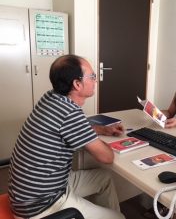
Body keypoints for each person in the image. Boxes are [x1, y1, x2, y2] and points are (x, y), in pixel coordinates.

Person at [8, 54, 125, 219]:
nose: (95, 80)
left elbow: (66, 128)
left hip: (28, 193)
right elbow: (107, 157)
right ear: (77, 84)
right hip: (41, 204)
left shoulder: (50, 98)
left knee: (104, 178)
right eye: (92, 76)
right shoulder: (70, 113)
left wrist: (103, 130)